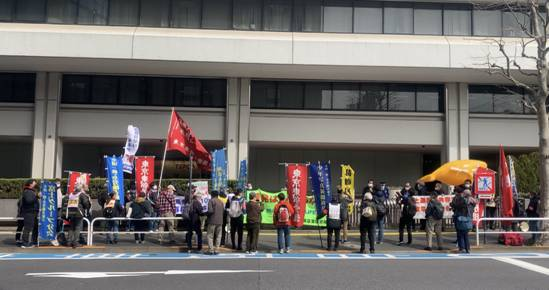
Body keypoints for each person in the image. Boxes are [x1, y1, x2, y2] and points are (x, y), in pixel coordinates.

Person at [61, 184, 91, 248]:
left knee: (71, 227)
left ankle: (69, 242)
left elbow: (64, 200)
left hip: (70, 213)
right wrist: (86, 208)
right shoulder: (81, 195)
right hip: (78, 213)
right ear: (80, 189)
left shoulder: (71, 194)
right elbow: (86, 204)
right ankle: (75, 242)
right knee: (78, 227)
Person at [451, 189, 477, 253]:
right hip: (468, 219)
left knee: (460, 234)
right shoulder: (473, 202)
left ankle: (462, 248)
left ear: (464, 194)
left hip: (461, 218)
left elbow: (455, 205)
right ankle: (467, 248)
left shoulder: (462, 201)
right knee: (466, 234)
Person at [20, 179, 39, 248]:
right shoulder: (27, 191)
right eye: (34, 182)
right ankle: (25, 243)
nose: (35, 183)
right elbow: (29, 201)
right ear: (30, 184)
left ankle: (34, 242)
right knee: (28, 228)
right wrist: (37, 196)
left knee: (35, 228)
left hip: (33, 212)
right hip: (29, 212)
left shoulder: (31, 191)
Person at [207, 191, 224, 255]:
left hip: (212, 220)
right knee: (218, 236)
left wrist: (206, 214)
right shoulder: (221, 202)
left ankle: (211, 250)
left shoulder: (211, 201)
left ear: (212, 195)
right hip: (220, 221)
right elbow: (223, 211)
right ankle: (217, 249)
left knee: (210, 235)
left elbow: (210, 211)